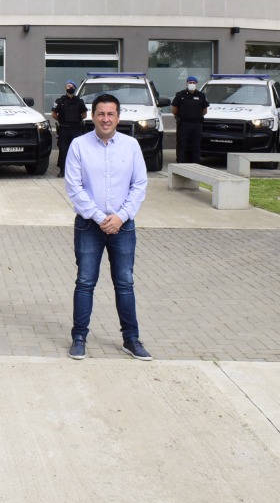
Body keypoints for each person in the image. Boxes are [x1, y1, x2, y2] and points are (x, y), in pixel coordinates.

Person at [64, 94, 150, 361]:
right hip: (89, 225)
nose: (105, 119)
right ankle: (79, 338)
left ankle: (131, 339)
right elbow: (74, 187)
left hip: (123, 226)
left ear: (118, 117)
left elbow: (140, 184)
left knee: (125, 283)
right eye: (100, 114)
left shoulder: (131, 146)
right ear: (92, 116)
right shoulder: (79, 145)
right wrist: (100, 217)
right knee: (85, 282)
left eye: (110, 114)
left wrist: (121, 217)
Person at [51, 80, 87, 177]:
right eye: (68, 86)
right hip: (64, 129)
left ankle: (77, 171)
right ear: (65, 88)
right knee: (63, 150)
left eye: (71, 86)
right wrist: (62, 120)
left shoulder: (79, 101)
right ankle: (63, 170)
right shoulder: (60, 101)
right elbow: (53, 114)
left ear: (74, 88)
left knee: (77, 150)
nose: (69, 88)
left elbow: (84, 115)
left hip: (76, 129)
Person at [171, 76, 209, 164]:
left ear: (196, 84)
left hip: (196, 124)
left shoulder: (201, 95)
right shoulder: (180, 95)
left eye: (193, 82)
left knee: (196, 145)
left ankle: (196, 162)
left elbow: (204, 110)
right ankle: (180, 160)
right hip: (184, 124)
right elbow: (174, 109)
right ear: (187, 83)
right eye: (190, 82)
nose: (192, 84)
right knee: (182, 143)